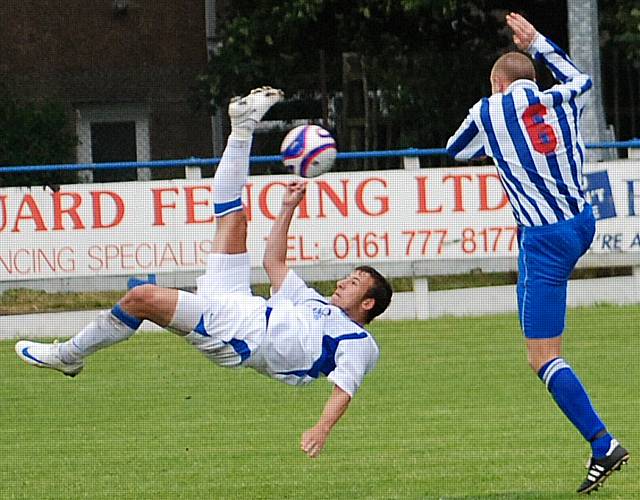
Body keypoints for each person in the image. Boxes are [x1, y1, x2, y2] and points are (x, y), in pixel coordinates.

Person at [16, 86, 393, 459]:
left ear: (369, 303)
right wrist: (288, 207)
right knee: (235, 218)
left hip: (245, 336)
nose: (344, 282)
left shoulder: (359, 343)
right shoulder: (314, 302)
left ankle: (70, 354)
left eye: (354, 283)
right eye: (349, 277)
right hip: (242, 304)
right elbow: (273, 264)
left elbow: (344, 389)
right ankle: (242, 129)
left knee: (141, 299)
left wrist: (321, 427)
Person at [446, 13, 628, 494]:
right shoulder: (560, 98)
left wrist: (494, 139)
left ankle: (603, 444)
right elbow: (581, 78)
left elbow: (456, 150)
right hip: (580, 222)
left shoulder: (489, 111)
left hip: (545, 239)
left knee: (542, 358)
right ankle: (600, 442)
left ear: (496, 83)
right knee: (530, 276)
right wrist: (540, 43)